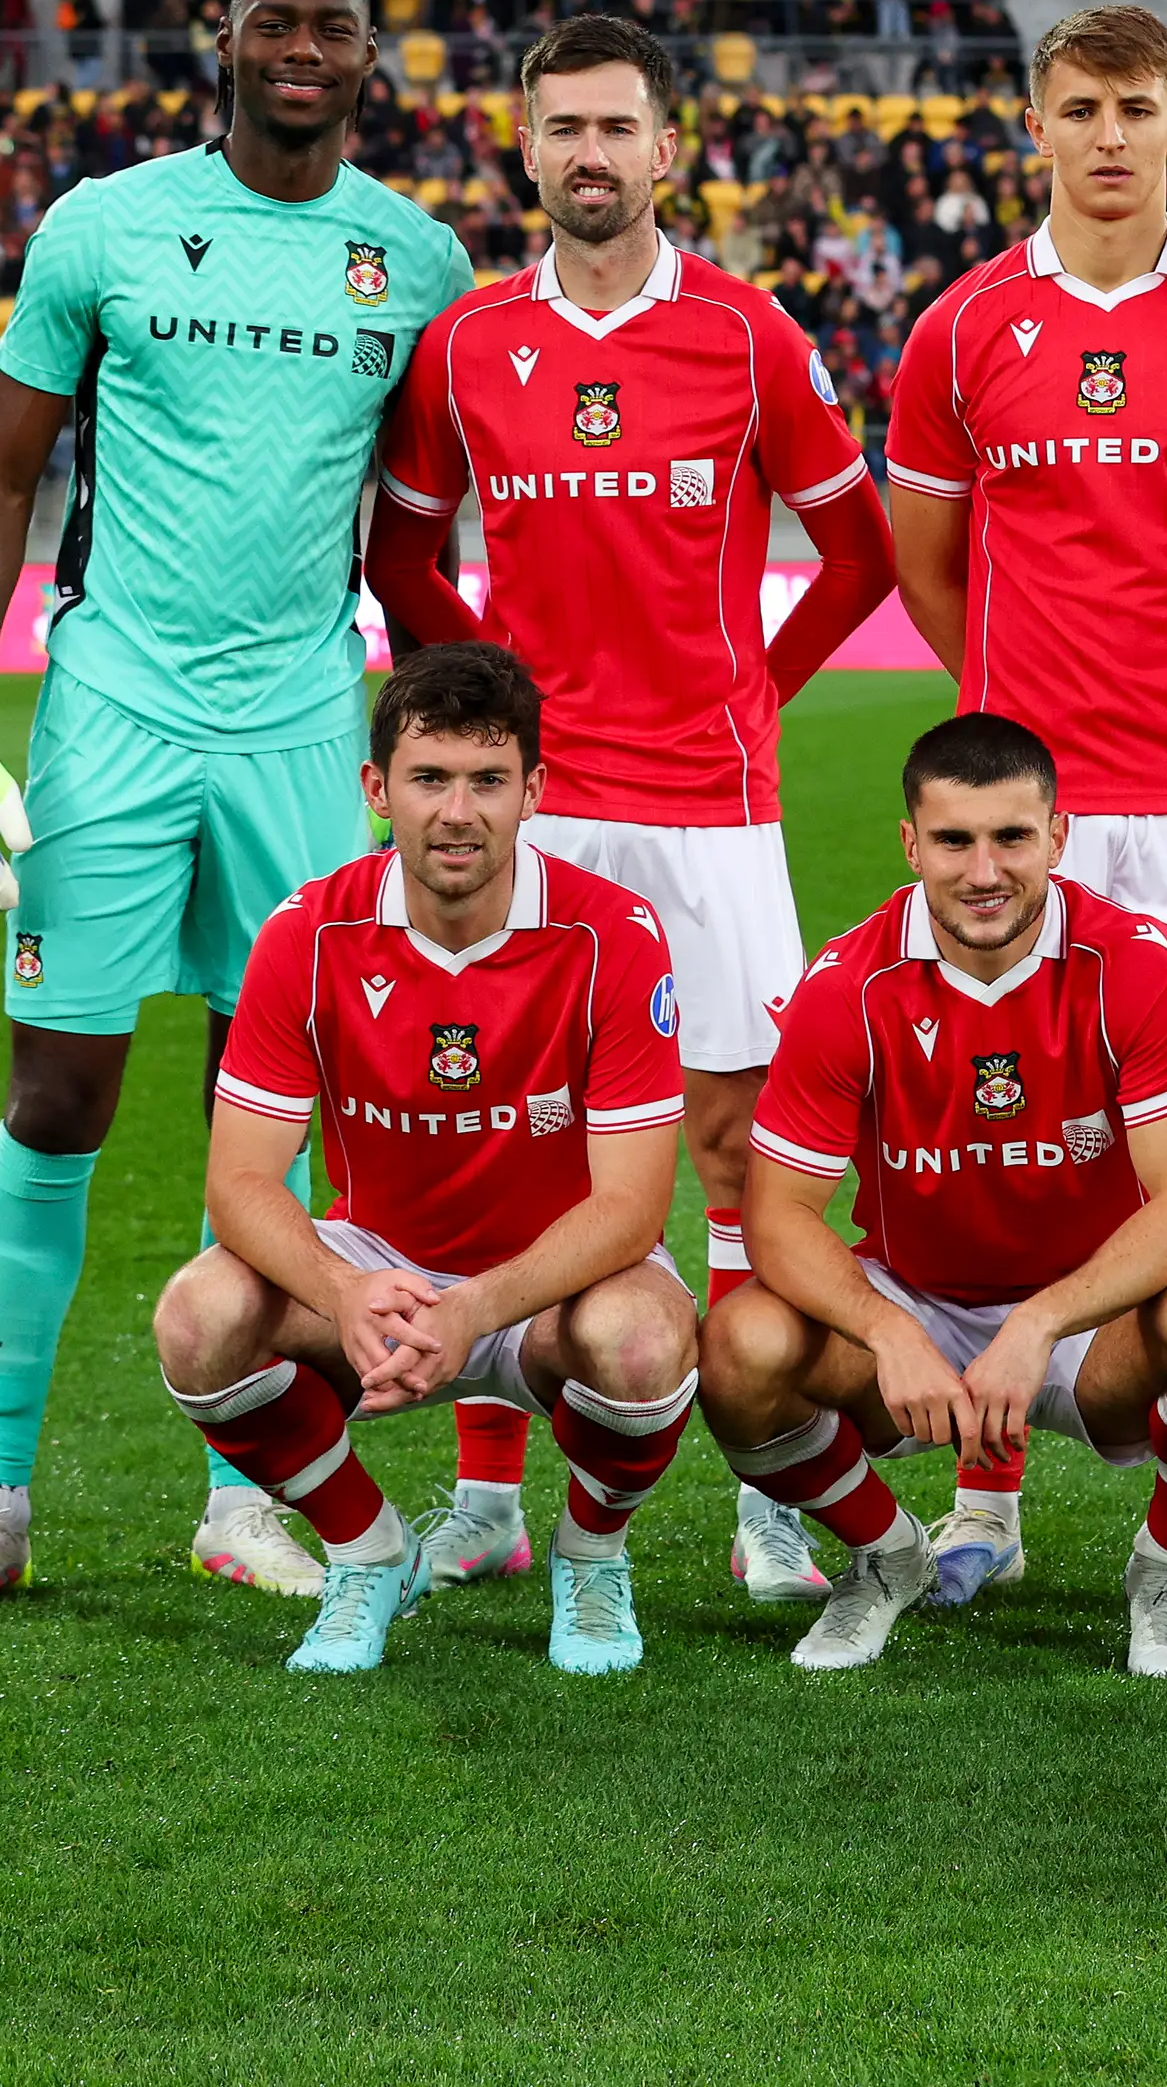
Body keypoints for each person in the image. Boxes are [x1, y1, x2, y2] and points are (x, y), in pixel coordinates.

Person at [0, 0, 477, 1614]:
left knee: (268, 1117)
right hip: (115, 713)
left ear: (368, 58)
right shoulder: (106, 225)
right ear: (222, 40)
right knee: (57, 1098)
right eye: (272, 24)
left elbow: (415, 531)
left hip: (301, 726)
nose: (302, 51)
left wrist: (457, 731)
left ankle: (244, 1501)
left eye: (333, 30)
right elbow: (3, 476)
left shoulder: (417, 262)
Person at [362, 12, 897, 1604]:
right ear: (524, 146)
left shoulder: (748, 334)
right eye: (563, 127)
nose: (589, 154)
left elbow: (860, 552)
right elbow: (402, 553)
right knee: (515, 1144)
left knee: (736, 1151)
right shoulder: (466, 344)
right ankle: (488, 1498)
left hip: (711, 810)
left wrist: (755, 694)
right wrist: (486, 714)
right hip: (540, 813)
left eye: (617, 127)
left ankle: (766, 1494)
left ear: (668, 148)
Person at [882, 3, 1167, 1611]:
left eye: (1137, 107)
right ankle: (985, 1497)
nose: (1109, 135)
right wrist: (1016, 723)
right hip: (1024, 809)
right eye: (1079, 108)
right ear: (1037, 127)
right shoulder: (960, 330)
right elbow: (928, 566)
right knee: (997, 1132)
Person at [699, 712, 1167, 1678]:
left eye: (1012, 837)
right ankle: (885, 1558)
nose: (984, 871)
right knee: (739, 1345)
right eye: (954, 841)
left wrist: (1041, 1322)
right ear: (911, 845)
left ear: (1058, 836)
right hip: (920, 1309)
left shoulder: (1134, 960)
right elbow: (777, 1215)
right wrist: (889, 1332)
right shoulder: (847, 982)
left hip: (1094, 1326)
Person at [156, 643, 699, 1675]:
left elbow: (633, 1207)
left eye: (488, 780)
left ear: (534, 791)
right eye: (429, 778)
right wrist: (342, 1290)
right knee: (198, 1316)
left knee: (643, 1340)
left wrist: (474, 1308)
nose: (458, 812)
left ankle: (592, 1557)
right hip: (380, 1263)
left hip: (552, 1283)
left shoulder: (614, 935)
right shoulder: (306, 933)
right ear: (377, 789)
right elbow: (238, 1182)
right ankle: (370, 1552)